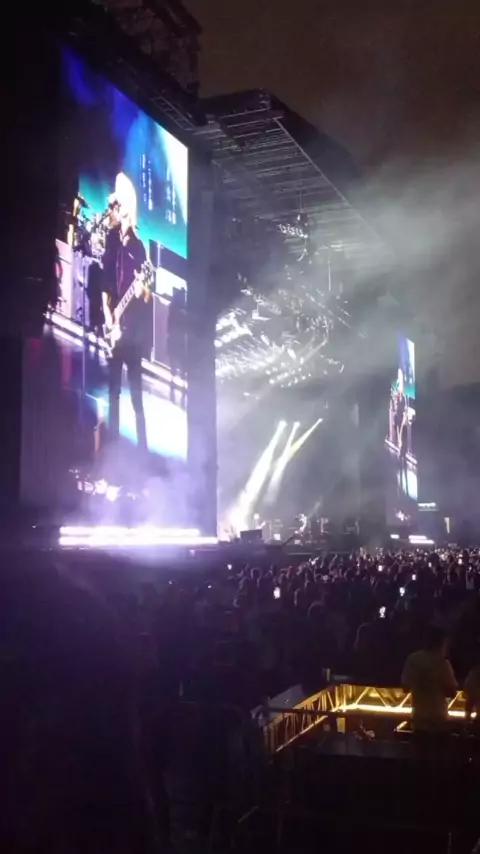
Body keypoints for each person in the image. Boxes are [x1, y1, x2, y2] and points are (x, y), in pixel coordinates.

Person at [101, 175, 150, 458]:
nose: (115, 210)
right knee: (113, 393)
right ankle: (113, 446)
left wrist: (142, 290)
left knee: (136, 395)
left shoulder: (138, 247)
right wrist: (109, 314)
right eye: (114, 206)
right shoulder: (111, 242)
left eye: (118, 206)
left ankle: (142, 451)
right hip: (115, 329)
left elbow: (146, 295)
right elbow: (106, 283)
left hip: (133, 335)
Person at [401, 625, 458, 732]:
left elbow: (405, 687)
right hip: (439, 717)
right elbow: (452, 693)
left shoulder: (412, 659)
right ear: (441, 643)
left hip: (419, 717)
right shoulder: (442, 663)